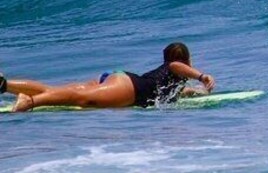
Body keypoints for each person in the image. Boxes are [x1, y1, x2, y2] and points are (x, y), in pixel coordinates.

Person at [0, 42, 215, 112]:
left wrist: (197, 92)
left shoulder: (171, 82)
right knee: (80, 99)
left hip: (122, 80)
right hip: (129, 89)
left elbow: (179, 92)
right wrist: (202, 76)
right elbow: (176, 65)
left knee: (61, 91)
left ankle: (5, 85)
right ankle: (30, 102)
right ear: (187, 60)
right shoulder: (175, 67)